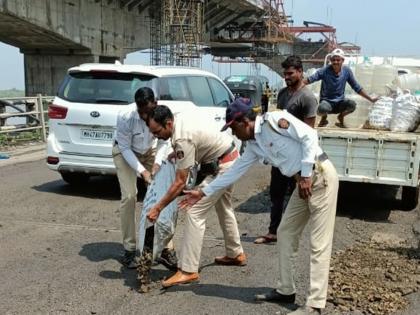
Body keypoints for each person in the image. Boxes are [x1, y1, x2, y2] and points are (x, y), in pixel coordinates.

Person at [180, 98, 339, 315]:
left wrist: (306, 175)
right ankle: (286, 290)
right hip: (302, 183)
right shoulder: (254, 145)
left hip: (319, 176)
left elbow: (310, 135)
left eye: (233, 128)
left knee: (319, 243)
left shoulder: (274, 120)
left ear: (244, 121)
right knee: (285, 232)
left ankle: (315, 304)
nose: (233, 134)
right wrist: (202, 192)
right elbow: (235, 171)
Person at [145, 105, 246, 288]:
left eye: (157, 132)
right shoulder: (178, 119)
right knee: (223, 206)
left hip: (223, 166)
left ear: (168, 123)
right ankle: (235, 253)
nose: (155, 136)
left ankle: (188, 270)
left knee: (194, 211)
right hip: (229, 157)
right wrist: (179, 154)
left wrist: (158, 208)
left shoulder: (182, 138)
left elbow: (180, 182)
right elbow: (197, 141)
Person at [255, 55, 318, 245]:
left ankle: (293, 233)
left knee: (298, 195)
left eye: (290, 73)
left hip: (297, 157)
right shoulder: (283, 94)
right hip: (281, 154)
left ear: (300, 72)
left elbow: (309, 132)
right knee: (276, 193)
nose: (287, 77)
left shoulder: (307, 98)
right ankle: (273, 231)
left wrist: (304, 167)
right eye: (285, 74)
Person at [112, 87, 176, 270]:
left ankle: (165, 248)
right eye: (140, 112)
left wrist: (156, 164)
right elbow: (124, 148)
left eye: (147, 112)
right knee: (130, 196)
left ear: (155, 104)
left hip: (151, 151)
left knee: (161, 196)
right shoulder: (125, 116)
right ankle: (130, 249)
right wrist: (143, 172)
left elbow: (164, 140)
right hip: (125, 152)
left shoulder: (161, 114)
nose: (143, 116)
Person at [304, 48, 379, 128]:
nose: (335, 62)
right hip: (327, 102)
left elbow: (356, 87)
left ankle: (341, 116)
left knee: (352, 105)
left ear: (342, 60)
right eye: (333, 60)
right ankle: (324, 118)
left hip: (340, 103)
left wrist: (370, 99)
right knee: (322, 109)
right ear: (330, 60)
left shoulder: (346, 71)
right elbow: (310, 79)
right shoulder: (324, 71)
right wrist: (296, 85)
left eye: (338, 60)